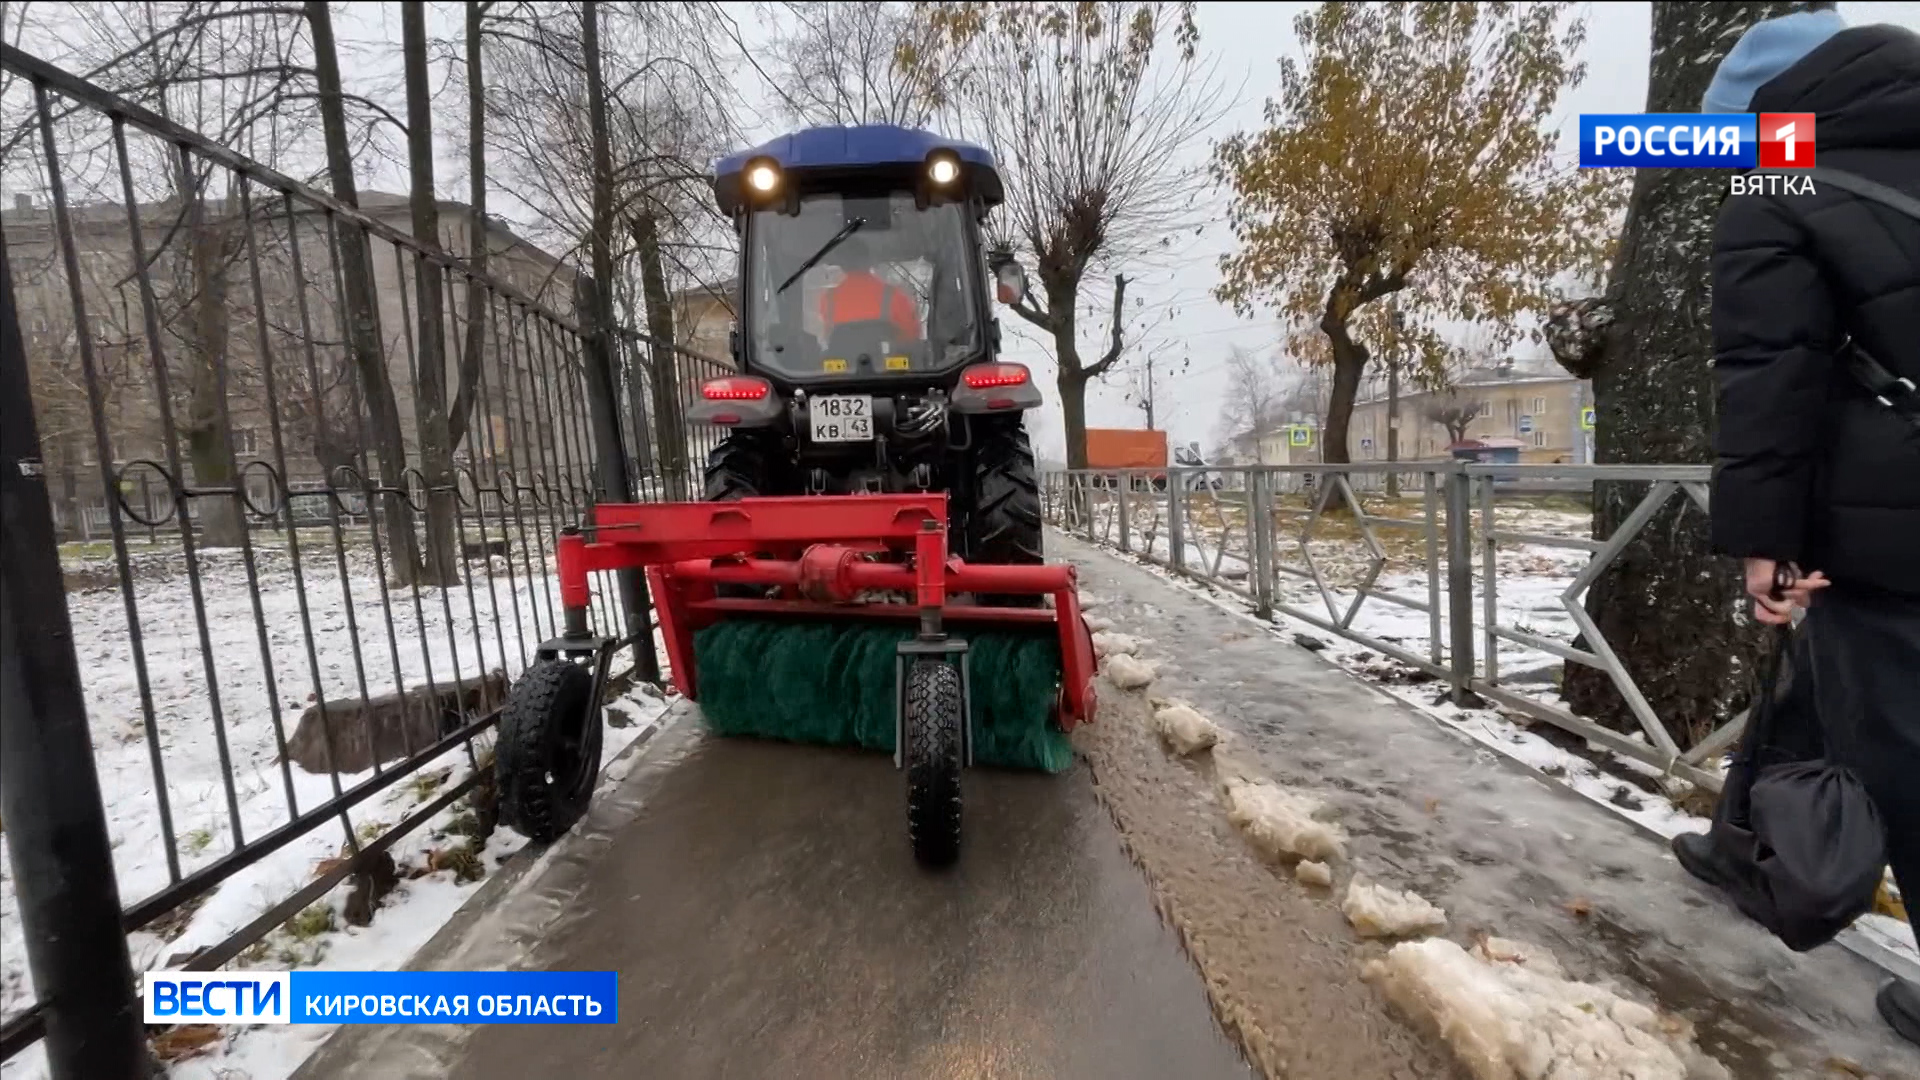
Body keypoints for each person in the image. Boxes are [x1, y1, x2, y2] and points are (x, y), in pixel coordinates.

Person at [1677, 9, 1920, 1045]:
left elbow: (1769, 377)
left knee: (1903, 747)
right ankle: (1747, 844)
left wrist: (1761, 542)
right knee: (1822, 686)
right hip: (1882, 497)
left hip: (1884, 516)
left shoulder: (1777, 179)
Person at [818, 236, 921, 342]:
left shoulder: (828, 299)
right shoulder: (894, 295)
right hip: (885, 357)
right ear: (868, 260)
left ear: (841, 264)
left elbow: (827, 339)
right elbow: (911, 337)